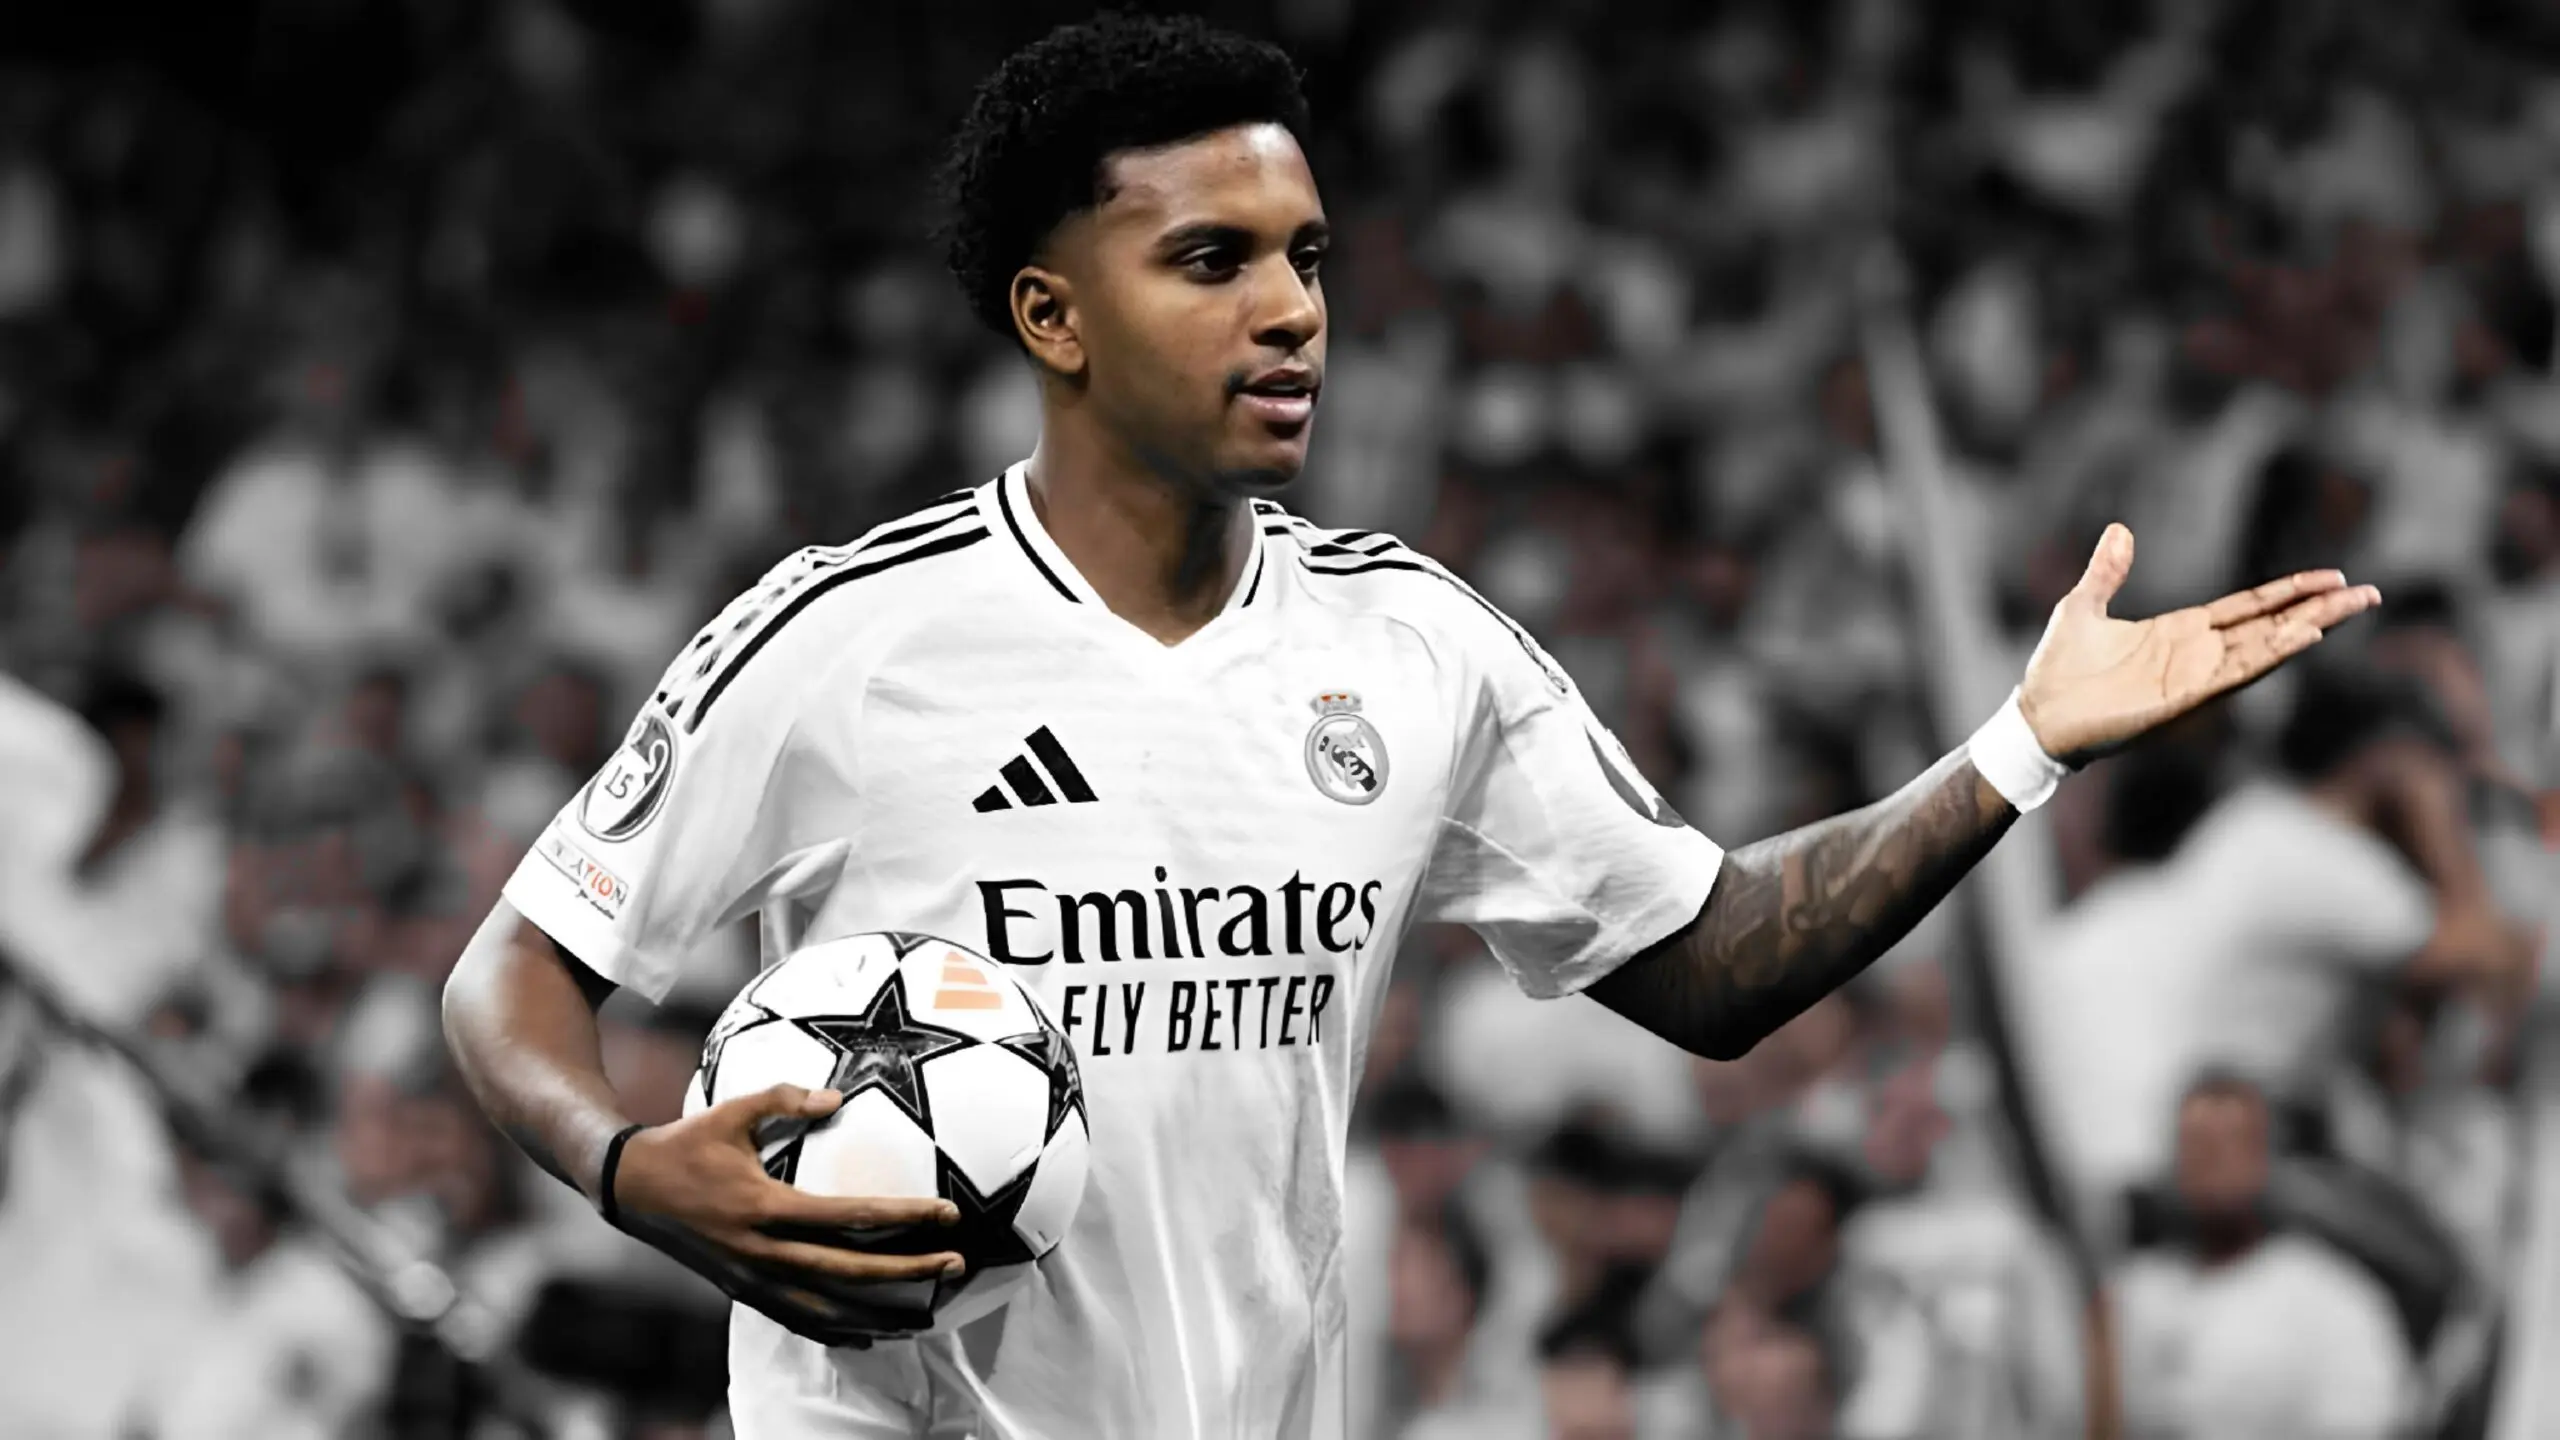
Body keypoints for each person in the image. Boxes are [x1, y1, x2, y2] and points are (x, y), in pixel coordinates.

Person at [439, 14, 2378, 1437]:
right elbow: (513, 979)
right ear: (1051, 316)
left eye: (1305, 257)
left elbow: (1710, 963)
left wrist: (2017, 747)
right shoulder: (851, 639)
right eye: (1209, 261)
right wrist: (629, 1167)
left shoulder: (1413, 647)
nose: (1290, 310)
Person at [2111, 1073, 2414, 1440]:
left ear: (2269, 1156)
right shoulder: (2130, 1294)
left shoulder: (2333, 1301)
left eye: (2229, 1147)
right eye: (2196, 1147)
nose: (2211, 1167)